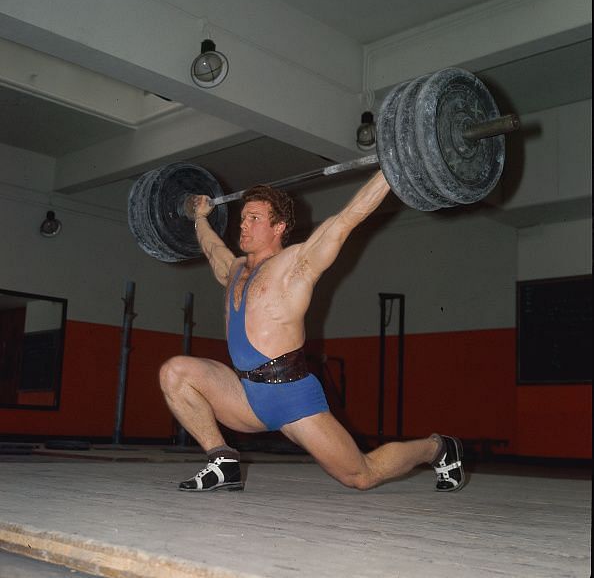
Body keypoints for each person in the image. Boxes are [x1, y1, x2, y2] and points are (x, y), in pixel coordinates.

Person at [159, 170, 465, 493]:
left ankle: (439, 448)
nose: (243, 224)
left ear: (278, 228)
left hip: (292, 397)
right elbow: (210, 248)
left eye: (254, 218)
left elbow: (349, 218)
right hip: (247, 396)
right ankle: (222, 460)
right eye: (243, 217)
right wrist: (199, 217)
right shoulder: (234, 269)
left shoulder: (297, 264)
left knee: (362, 475)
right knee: (174, 373)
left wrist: (393, 169)